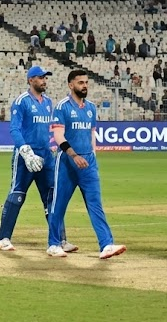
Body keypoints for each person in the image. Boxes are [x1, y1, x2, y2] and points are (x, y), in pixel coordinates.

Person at [47, 70, 126, 259]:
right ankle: (53, 244)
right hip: (67, 161)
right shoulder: (62, 107)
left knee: (95, 204)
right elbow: (58, 136)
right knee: (59, 204)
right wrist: (73, 155)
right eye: (80, 82)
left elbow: (91, 134)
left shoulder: (90, 107)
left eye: (86, 82)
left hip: (88, 162)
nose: (84, 86)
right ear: (70, 85)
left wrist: (93, 155)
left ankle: (106, 244)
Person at [0, 66, 75, 252]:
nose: (44, 81)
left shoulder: (47, 102)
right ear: (31, 80)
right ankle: (3, 237)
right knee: (18, 195)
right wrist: (24, 149)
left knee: (52, 198)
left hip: (46, 154)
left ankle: (60, 240)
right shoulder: (21, 102)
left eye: (45, 78)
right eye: (40, 78)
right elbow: (14, 128)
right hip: (25, 155)